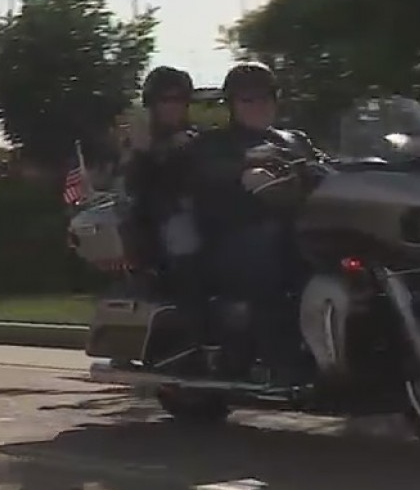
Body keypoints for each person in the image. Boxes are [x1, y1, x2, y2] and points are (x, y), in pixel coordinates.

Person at [187, 61, 317, 386]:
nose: (259, 105)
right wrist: (242, 170)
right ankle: (282, 359)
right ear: (232, 105)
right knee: (271, 251)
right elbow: (210, 169)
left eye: (265, 97)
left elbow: (324, 166)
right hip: (230, 239)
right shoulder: (214, 144)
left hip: (298, 232)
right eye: (248, 99)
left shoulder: (294, 140)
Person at [120, 66, 209, 365]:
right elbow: (134, 189)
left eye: (181, 99)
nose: (175, 106)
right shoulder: (142, 144)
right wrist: (147, 152)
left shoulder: (198, 138)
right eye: (167, 100)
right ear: (152, 104)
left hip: (206, 214)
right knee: (186, 240)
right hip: (160, 222)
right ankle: (193, 338)